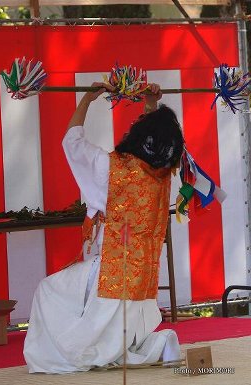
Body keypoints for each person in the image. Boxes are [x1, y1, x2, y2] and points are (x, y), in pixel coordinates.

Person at [24, 83, 184, 374]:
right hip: (141, 280)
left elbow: (72, 142)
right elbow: (156, 142)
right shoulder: (162, 176)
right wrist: (150, 105)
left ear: (137, 136)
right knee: (122, 336)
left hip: (108, 272)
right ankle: (160, 343)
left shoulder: (110, 167)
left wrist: (87, 99)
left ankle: (70, 352)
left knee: (48, 290)